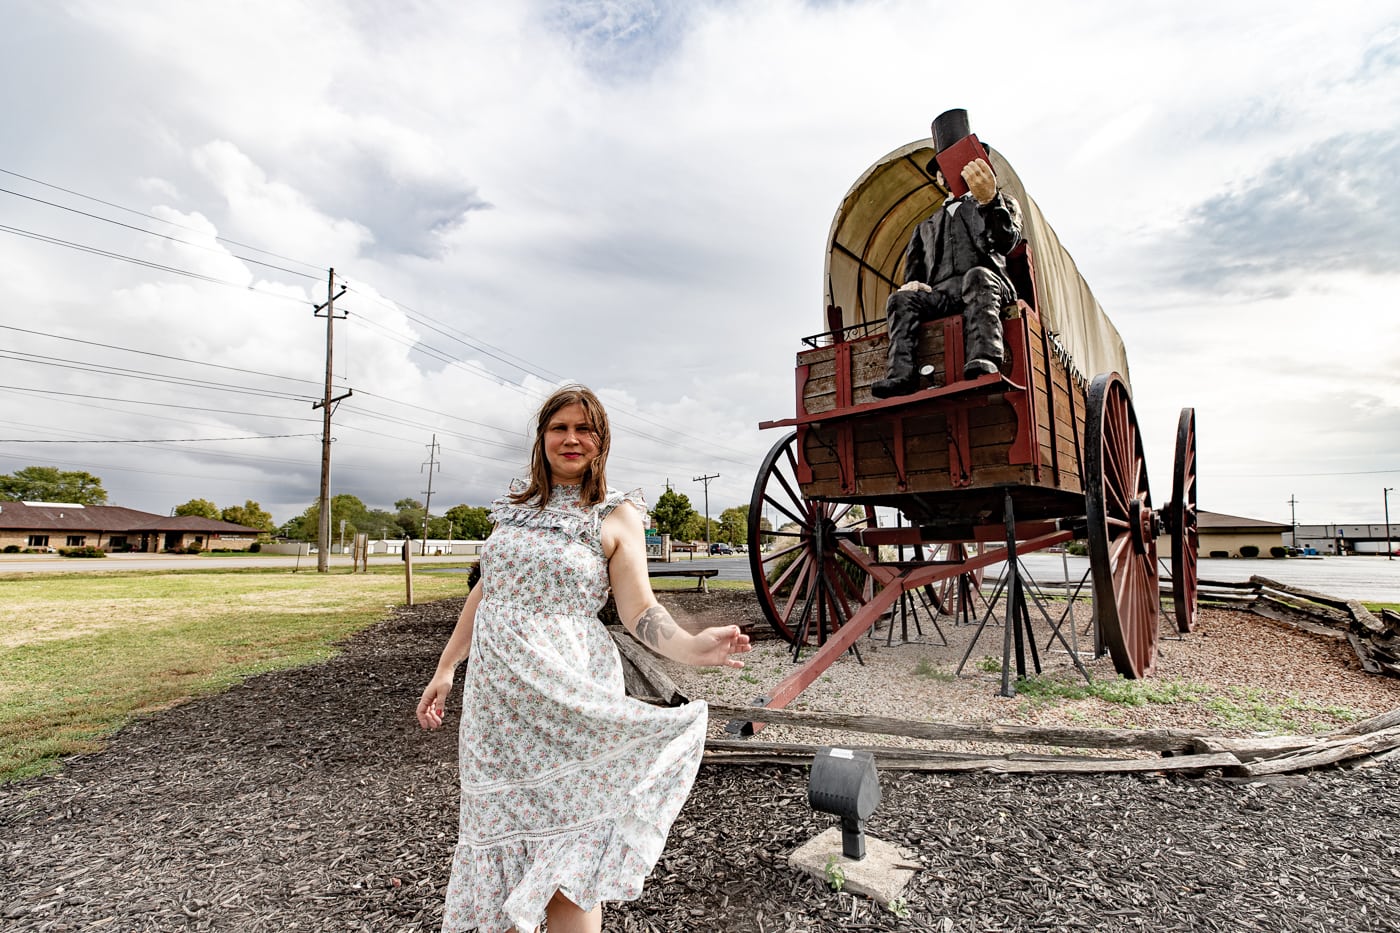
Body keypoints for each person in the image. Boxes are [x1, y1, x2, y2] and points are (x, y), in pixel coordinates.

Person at [416, 384, 751, 933]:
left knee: (569, 849)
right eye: (559, 428)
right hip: (497, 706)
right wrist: (447, 667)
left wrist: (692, 647)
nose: (571, 439)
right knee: (504, 830)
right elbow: (488, 591)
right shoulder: (514, 508)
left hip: (567, 687)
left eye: (584, 429)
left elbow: (639, 607)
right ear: (542, 437)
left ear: (601, 442)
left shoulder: (616, 516)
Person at [871, 109, 1024, 398]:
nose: (949, 173)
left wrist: (989, 201)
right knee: (901, 299)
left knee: (977, 276)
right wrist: (913, 285)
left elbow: (1007, 241)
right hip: (942, 294)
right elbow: (913, 274)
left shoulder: (1000, 203)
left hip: (985, 287)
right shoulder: (924, 227)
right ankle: (902, 374)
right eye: (944, 168)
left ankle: (986, 358)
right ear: (940, 177)